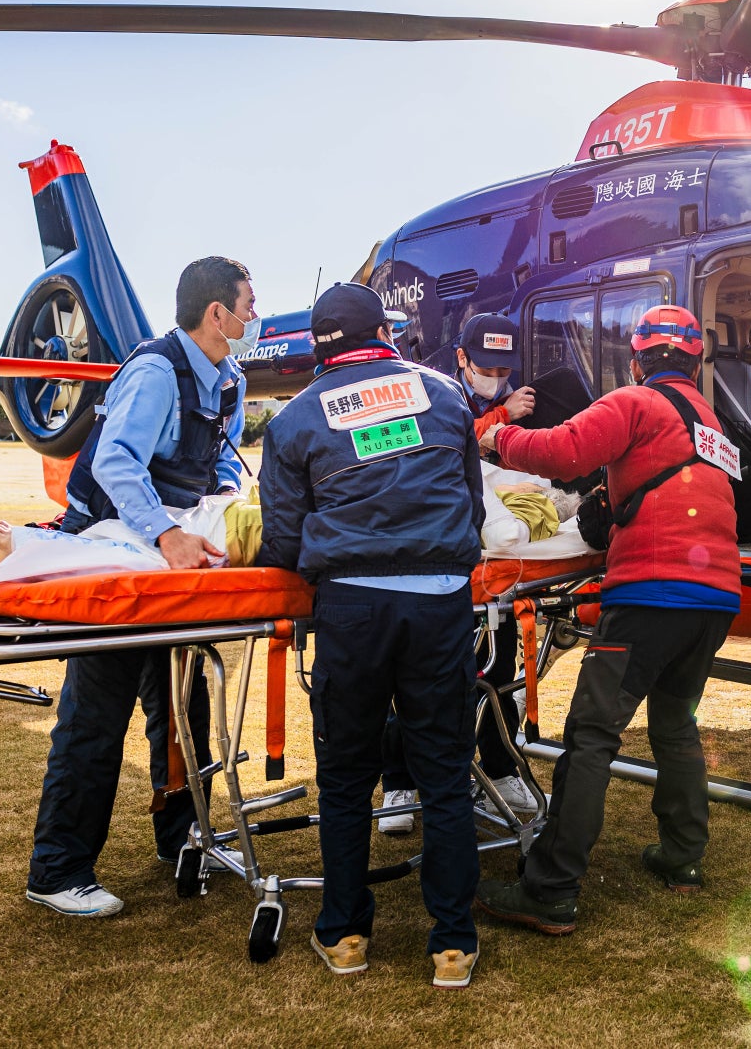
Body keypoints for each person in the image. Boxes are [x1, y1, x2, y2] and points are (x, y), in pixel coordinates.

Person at [474, 305, 740, 935]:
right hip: (716, 597)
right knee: (675, 725)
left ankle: (551, 889)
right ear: (695, 363)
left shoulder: (634, 403)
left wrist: (496, 438)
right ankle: (682, 856)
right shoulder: (712, 424)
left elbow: (563, 451)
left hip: (651, 593)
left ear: (637, 361)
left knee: (592, 734)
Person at [258, 282, 487, 990]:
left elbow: (282, 539)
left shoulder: (293, 419)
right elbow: (474, 505)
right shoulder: (445, 395)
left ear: (316, 346)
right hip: (441, 601)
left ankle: (346, 935)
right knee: (445, 775)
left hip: (351, 607)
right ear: (385, 333)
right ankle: (452, 945)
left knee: (346, 779)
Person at [23, 256, 253, 920]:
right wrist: (167, 534)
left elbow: (221, 463)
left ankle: (184, 837)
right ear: (217, 314)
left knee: (184, 703)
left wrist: (221, 506)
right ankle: (58, 870)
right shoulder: (155, 372)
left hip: (168, 559)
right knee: (97, 711)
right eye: (248, 305)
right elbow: (117, 462)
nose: (254, 316)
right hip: (114, 550)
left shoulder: (229, 381)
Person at [379, 311, 539, 835]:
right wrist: (500, 421)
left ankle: (501, 768)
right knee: (413, 676)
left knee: (500, 670)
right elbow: (434, 444)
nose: (495, 378)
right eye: (485, 368)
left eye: (503, 369)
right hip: (432, 559)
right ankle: (400, 782)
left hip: (498, 565)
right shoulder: (430, 392)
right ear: (462, 358)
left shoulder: (521, 400)